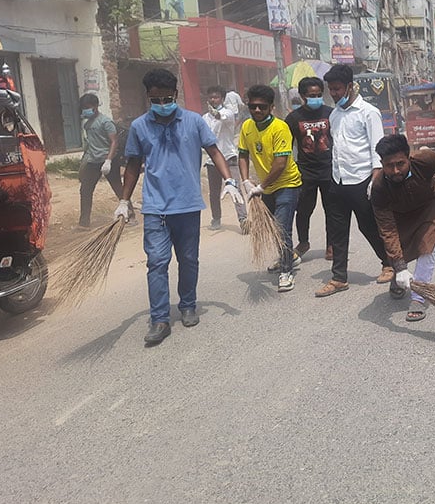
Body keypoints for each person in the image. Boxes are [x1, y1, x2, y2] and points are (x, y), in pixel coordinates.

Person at [118, 68, 243, 346]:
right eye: (155, 99)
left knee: (188, 260)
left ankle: (188, 304)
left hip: (187, 205)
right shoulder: (139, 126)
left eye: (166, 97)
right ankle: (160, 319)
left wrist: (230, 181)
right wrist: (124, 201)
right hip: (155, 207)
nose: (162, 103)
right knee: (156, 263)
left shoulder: (193, 121)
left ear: (175, 94)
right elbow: (133, 166)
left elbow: (214, 151)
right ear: (148, 97)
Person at [316, 64, 393, 297]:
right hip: (338, 181)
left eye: (338, 89)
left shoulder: (368, 112)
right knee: (337, 230)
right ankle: (339, 277)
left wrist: (375, 181)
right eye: (331, 90)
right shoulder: (334, 114)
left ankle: (389, 262)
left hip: (362, 180)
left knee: (368, 226)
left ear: (350, 86)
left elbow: (378, 151)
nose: (334, 93)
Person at [371, 134, 435, 321]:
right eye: (389, 166)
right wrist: (399, 267)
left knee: (426, 247)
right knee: (399, 249)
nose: (396, 170)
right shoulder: (379, 187)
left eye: (400, 164)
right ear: (382, 163)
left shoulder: (426, 159)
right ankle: (400, 276)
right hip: (401, 214)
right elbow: (388, 231)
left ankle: (419, 297)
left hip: (430, 205)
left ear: (409, 158)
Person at [238, 85, 303, 292]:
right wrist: (246, 180)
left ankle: (286, 271)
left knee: (282, 228)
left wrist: (260, 186)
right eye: (253, 106)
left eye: (262, 107)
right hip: (263, 187)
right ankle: (290, 255)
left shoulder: (280, 128)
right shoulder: (247, 126)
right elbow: (242, 154)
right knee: (272, 227)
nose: (257, 111)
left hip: (286, 184)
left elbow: (280, 163)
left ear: (271, 107)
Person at [285, 76, 334, 260]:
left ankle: (331, 245)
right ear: (302, 96)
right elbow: (286, 146)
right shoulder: (293, 118)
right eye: (311, 95)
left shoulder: (330, 113)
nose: (315, 98)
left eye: (319, 94)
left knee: (332, 209)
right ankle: (304, 241)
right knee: (304, 209)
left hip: (328, 169)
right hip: (305, 172)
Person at [203, 86, 247, 231]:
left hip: (228, 157)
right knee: (214, 192)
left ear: (222, 99)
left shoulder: (227, 112)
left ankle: (243, 219)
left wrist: (216, 113)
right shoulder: (204, 118)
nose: (213, 99)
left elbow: (222, 117)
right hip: (211, 160)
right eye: (211, 97)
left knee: (235, 189)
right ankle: (216, 218)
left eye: (216, 97)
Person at [77, 93, 124, 228]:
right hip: (93, 161)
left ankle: (130, 214)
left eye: (88, 107)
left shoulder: (106, 122)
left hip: (107, 160)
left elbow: (114, 142)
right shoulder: (87, 124)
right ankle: (84, 222)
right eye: (84, 107)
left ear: (95, 106)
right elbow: (90, 144)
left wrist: (108, 160)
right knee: (85, 189)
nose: (85, 110)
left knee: (117, 188)